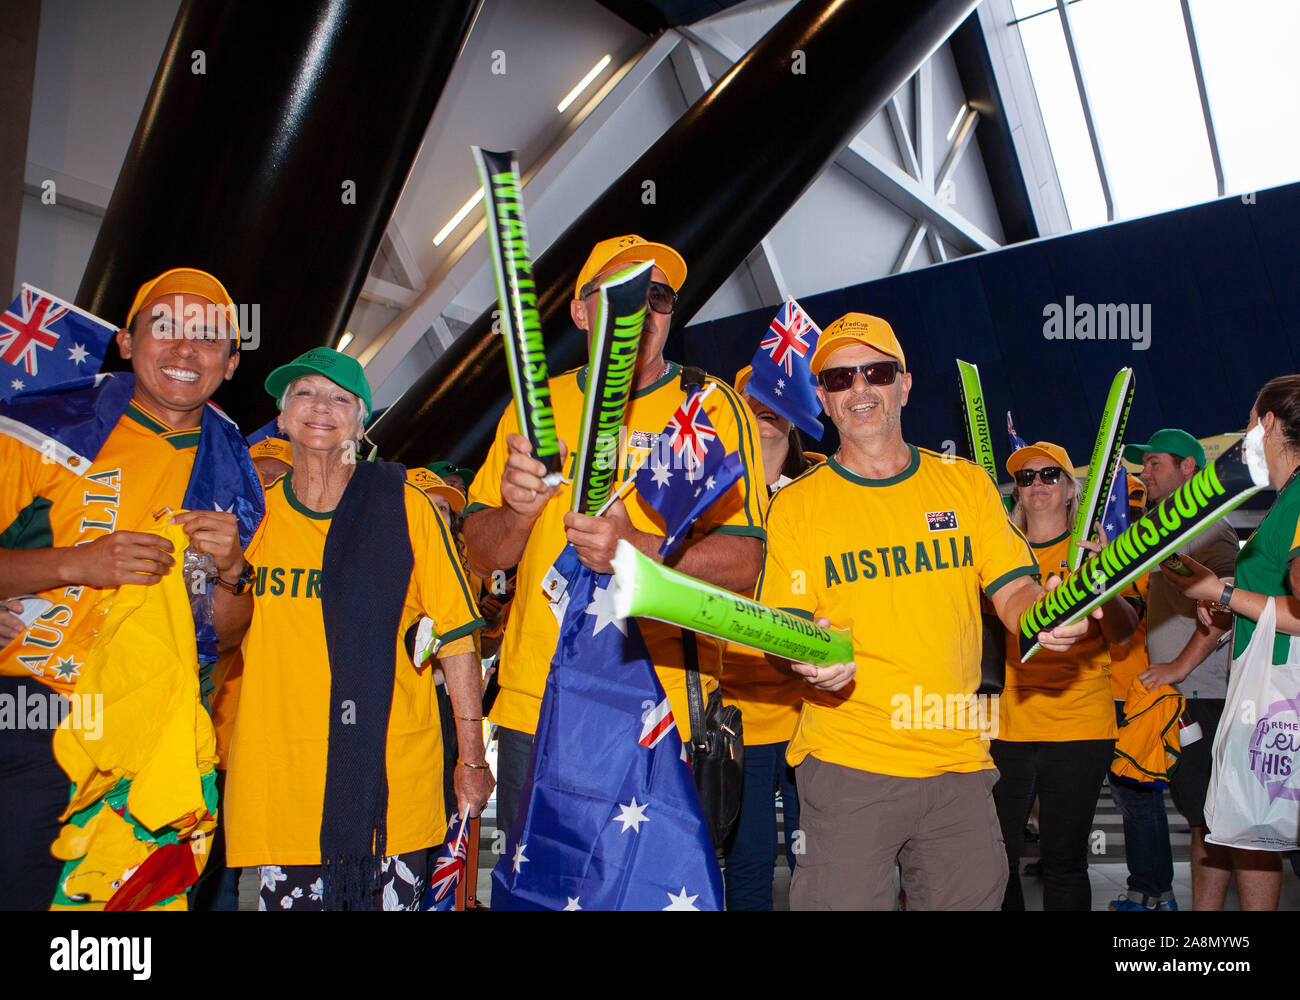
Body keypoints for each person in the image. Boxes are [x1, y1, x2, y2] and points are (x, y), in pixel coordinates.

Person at [757, 313, 1097, 910]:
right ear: (824, 400)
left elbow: (1015, 592)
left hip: (959, 766)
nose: (860, 388)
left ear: (904, 385)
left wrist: (1048, 616)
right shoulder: (796, 507)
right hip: (847, 764)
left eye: (876, 372)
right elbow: (783, 628)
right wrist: (809, 653)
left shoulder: (965, 486)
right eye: (839, 379)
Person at [463, 235, 766, 846]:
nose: (641, 311)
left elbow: (745, 563)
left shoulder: (706, 408)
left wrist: (638, 550)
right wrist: (519, 515)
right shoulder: (535, 408)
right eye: (622, 294)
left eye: (656, 297)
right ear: (580, 312)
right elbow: (477, 554)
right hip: (539, 704)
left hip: (662, 712)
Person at [0, 267, 260, 909]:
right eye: (163, 326)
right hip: (35, 709)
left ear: (229, 364)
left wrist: (232, 571)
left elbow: (226, 635)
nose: (184, 348)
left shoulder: (237, 470)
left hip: (153, 738)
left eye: (208, 338)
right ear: (125, 339)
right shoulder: (43, 426)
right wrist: (75, 564)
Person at [222, 348, 491, 911]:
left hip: (390, 780)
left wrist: (471, 760)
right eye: (304, 393)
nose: (321, 407)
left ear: (362, 420)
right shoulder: (253, 517)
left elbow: (457, 637)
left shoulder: (406, 507)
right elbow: (215, 629)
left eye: (340, 397)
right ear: (281, 415)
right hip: (285, 779)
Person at [1159, 379, 1300, 911]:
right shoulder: (1285, 498)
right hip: (1268, 693)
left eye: (1249, 420)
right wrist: (1223, 599)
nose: (1246, 433)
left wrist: (1219, 588)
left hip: (1282, 698)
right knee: (1252, 831)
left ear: (1267, 423)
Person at [993, 442, 1137, 910]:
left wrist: (1104, 582)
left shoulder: (1093, 550)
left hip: (1078, 724)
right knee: (997, 857)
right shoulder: (999, 549)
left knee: (1064, 859)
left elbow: (1124, 632)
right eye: (1026, 477)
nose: (1036, 484)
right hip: (1007, 724)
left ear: (1071, 488)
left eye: (1049, 475)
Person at [1107, 431, 1237, 911]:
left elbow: (1226, 601)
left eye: (1156, 463)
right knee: (1200, 817)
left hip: (1202, 694)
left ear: (1189, 469)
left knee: (1211, 818)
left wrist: (1179, 666)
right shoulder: (1169, 532)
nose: (1146, 473)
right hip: (1182, 696)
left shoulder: (1209, 529)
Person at [720, 365, 822, 910]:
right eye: (751, 397)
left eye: (777, 399)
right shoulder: (711, 494)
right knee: (750, 863)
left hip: (817, 711)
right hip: (740, 714)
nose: (764, 407)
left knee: (820, 861)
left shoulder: (820, 489)